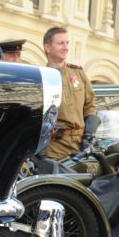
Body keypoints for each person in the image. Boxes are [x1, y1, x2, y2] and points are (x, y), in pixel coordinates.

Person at [36, 26, 98, 169]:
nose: (65, 47)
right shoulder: (41, 77)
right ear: (47, 47)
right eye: (60, 43)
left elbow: (90, 106)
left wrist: (89, 137)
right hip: (55, 150)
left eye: (67, 43)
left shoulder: (78, 73)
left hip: (81, 148)